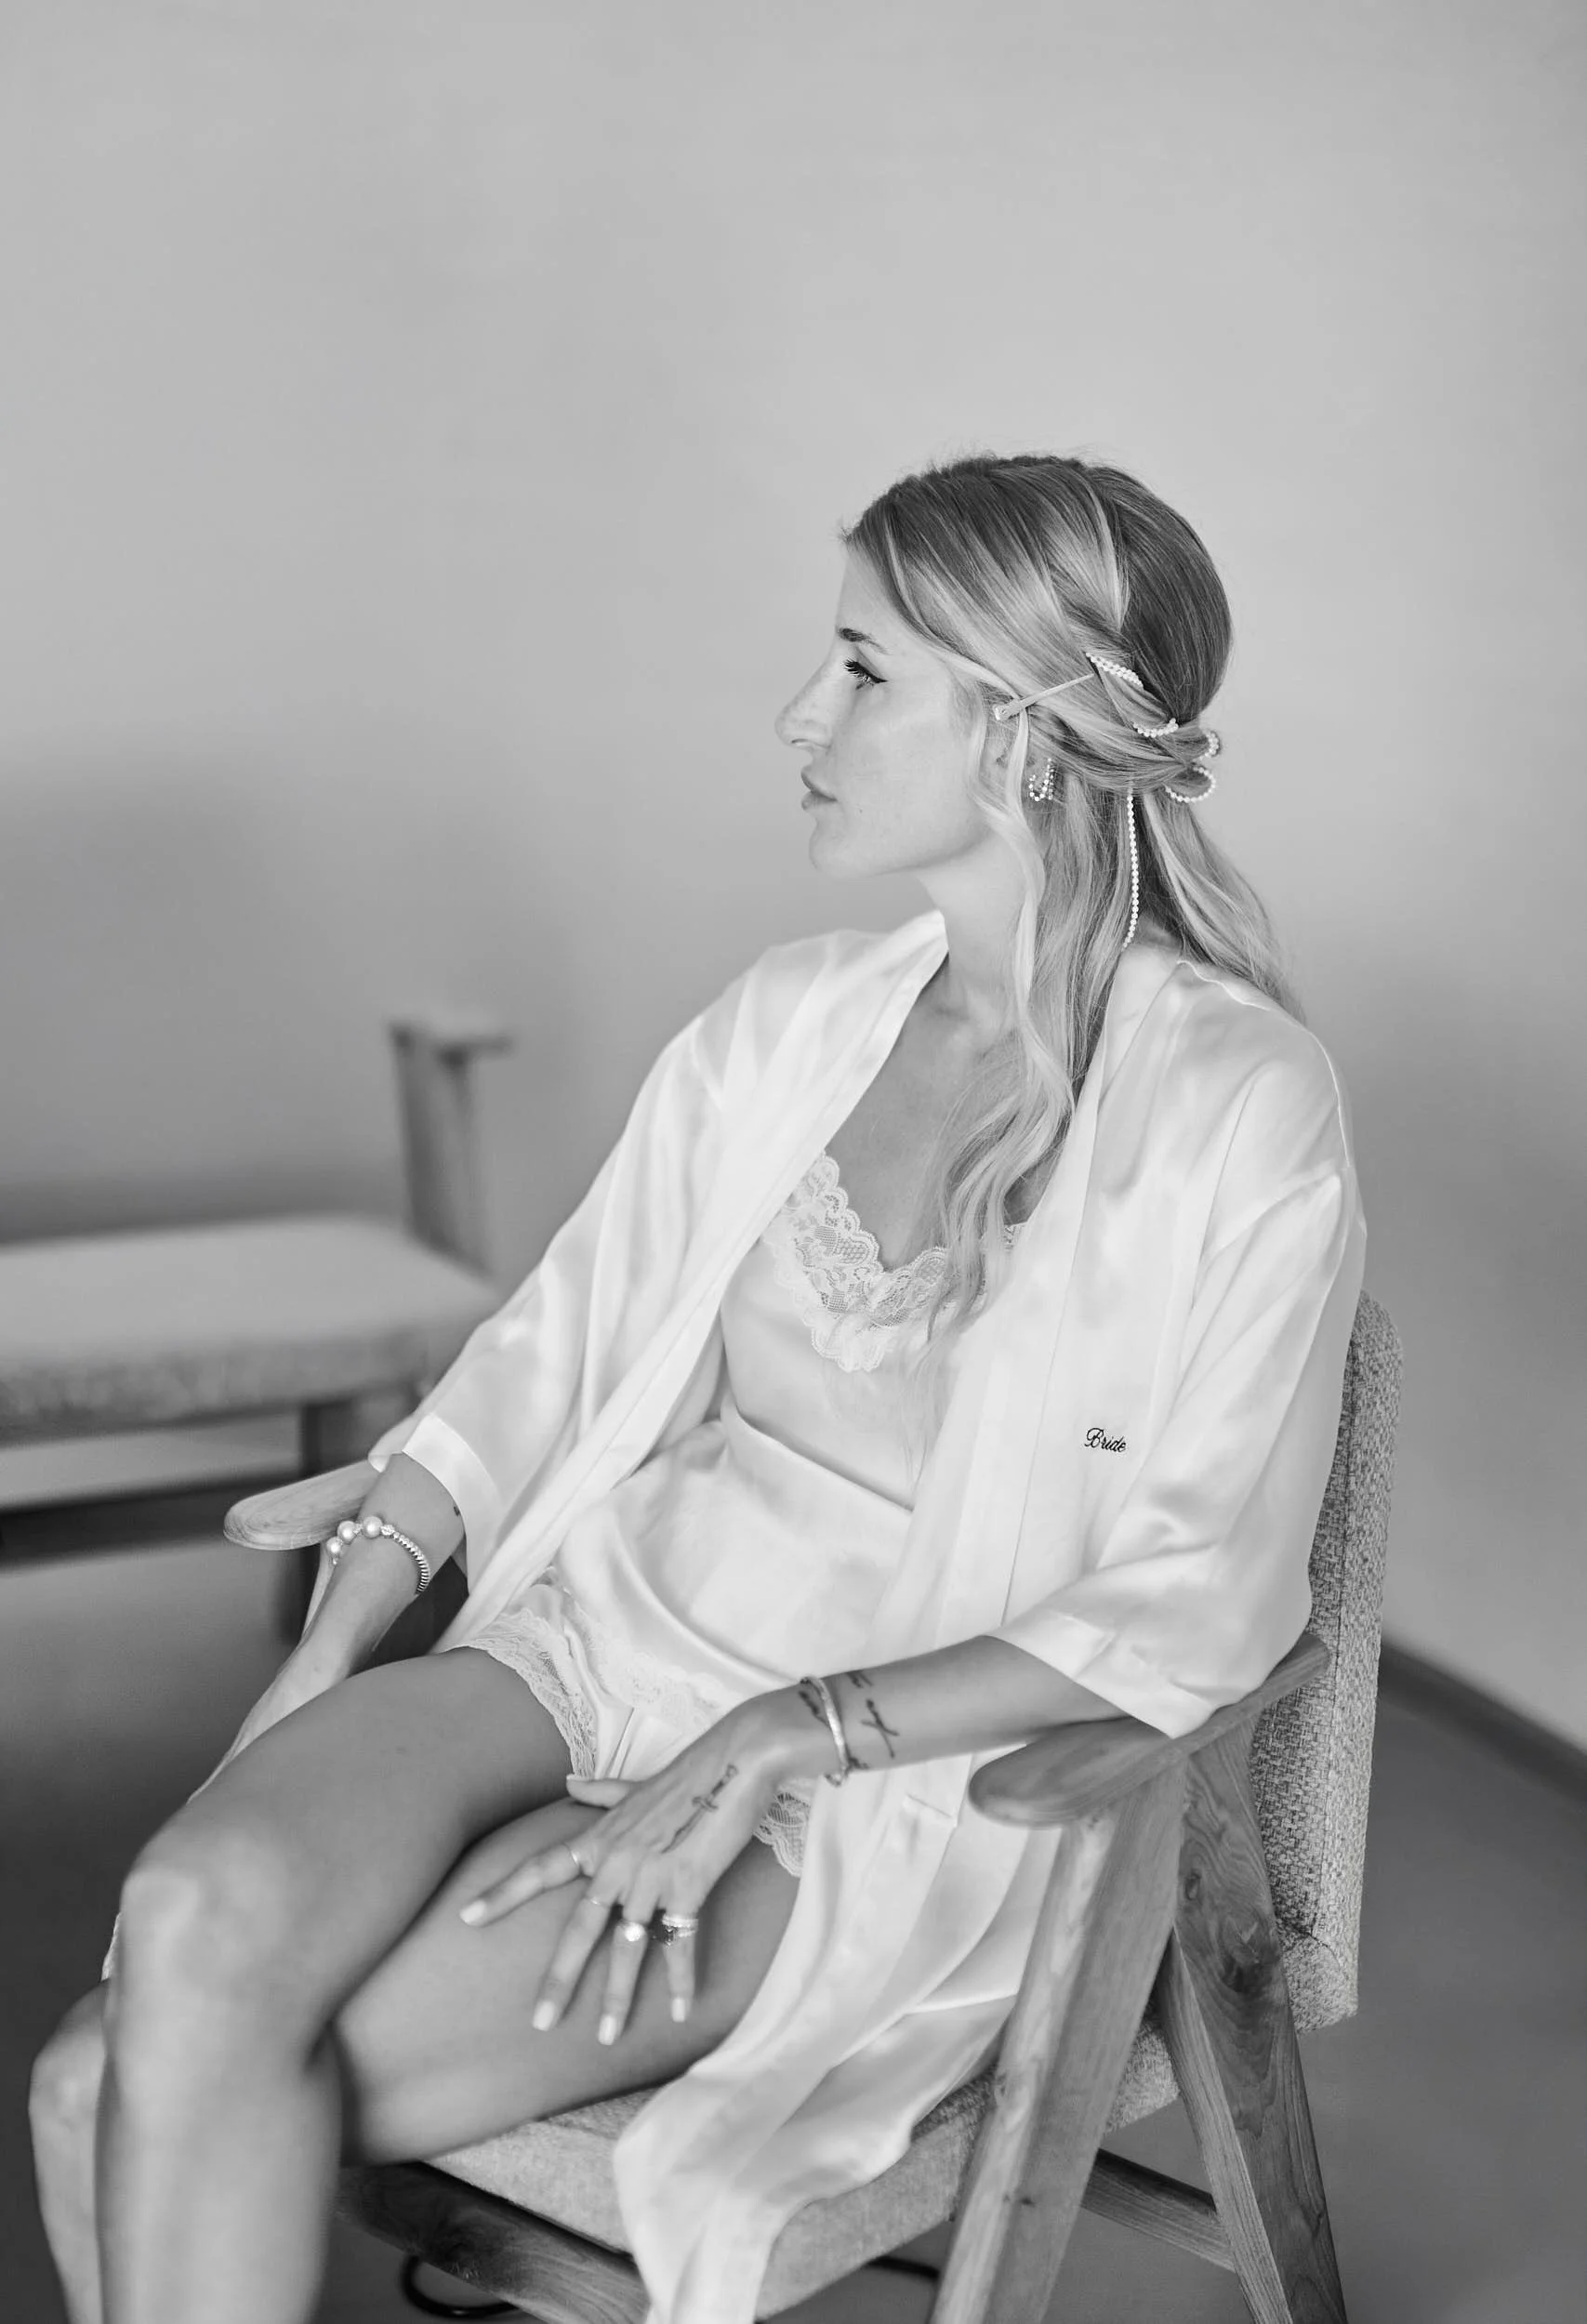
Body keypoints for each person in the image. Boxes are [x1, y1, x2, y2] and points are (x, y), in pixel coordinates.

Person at [30, 452, 1365, 2324]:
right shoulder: (790, 1020)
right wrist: (345, 1618)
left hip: (895, 1783)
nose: (800, 715)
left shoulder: (1237, 1105)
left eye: (863, 668)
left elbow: (1202, 1593)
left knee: (109, 2082)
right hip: (608, 1636)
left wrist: (780, 1736)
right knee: (185, 1925)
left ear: (1019, 729)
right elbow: (553, 1342)